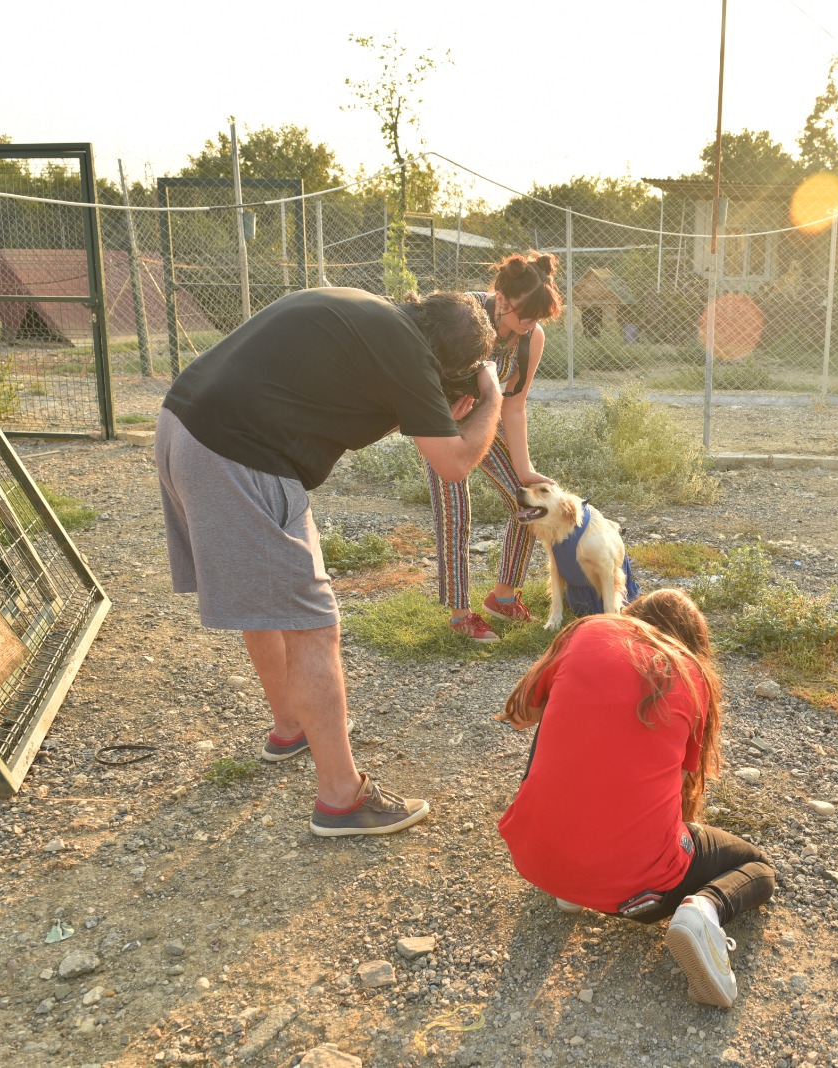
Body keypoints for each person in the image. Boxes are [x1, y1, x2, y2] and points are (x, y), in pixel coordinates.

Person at [156, 287, 502, 837]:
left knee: (270, 598)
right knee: (314, 625)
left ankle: (291, 726)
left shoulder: (370, 313)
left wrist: (426, 410)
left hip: (188, 427)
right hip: (238, 451)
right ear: (448, 363)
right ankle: (342, 797)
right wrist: (492, 400)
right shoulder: (412, 354)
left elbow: (339, 411)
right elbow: (455, 464)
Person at [495, 589, 776, 1007]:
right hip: (642, 898)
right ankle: (704, 912)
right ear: (693, 641)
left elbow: (519, 716)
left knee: (559, 701)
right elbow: (680, 790)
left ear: (632, 615)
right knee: (758, 866)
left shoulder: (589, 630)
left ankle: (568, 884)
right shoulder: (693, 675)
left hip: (534, 861)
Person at [428, 252, 562, 642]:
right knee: (455, 513)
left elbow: (514, 405)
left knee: (528, 503)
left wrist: (525, 470)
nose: (530, 326)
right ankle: (459, 615)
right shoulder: (461, 319)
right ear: (501, 300)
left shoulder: (531, 337)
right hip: (438, 421)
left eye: (537, 319)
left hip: (483, 421)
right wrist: (440, 415)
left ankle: (502, 597)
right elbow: (416, 375)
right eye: (524, 316)